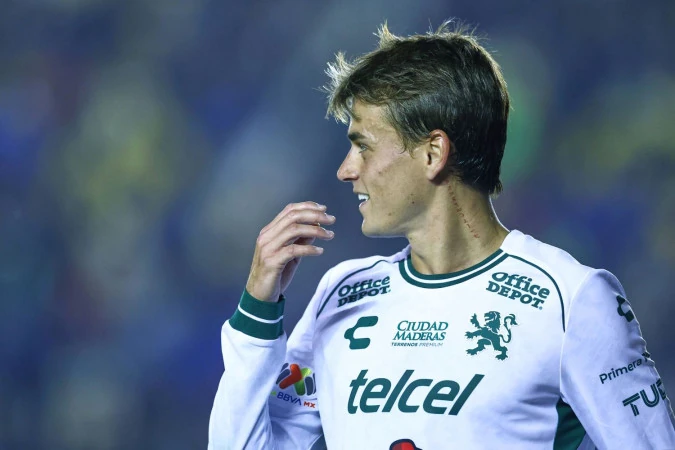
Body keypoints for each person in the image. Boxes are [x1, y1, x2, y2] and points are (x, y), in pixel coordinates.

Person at [208, 21, 675, 449]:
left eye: (363, 147)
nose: (345, 170)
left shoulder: (572, 300)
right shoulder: (341, 294)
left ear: (433, 153)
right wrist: (257, 311)